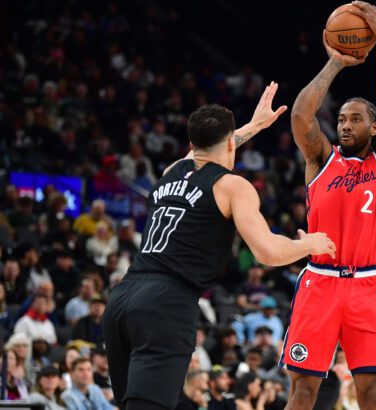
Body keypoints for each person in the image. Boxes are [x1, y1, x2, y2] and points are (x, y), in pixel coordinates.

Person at [103, 84, 336, 410]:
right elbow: (267, 252)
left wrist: (254, 126)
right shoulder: (232, 186)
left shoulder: (172, 172)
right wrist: (307, 244)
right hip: (166, 303)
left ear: (190, 143)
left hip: (123, 298)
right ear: (229, 142)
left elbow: (209, 149)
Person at [281, 3, 376, 409]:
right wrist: (335, 63)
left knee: (372, 393)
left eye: (355, 119)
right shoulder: (321, 158)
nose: (345, 125)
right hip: (319, 281)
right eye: (340, 119)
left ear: (374, 128)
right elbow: (301, 114)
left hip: (368, 286)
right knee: (303, 391)